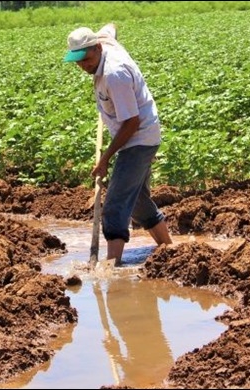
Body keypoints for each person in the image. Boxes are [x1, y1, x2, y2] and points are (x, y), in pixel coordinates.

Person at [63, 23, 173, 266]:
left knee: (114, 204)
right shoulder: (105, 40)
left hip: (138, 138)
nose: (84, 66)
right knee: (136, 201)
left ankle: (111, 267)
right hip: (134, 135)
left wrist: (105, 158)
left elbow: (131, 123)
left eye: (87, 60)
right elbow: (111, 26)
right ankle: (170, 251)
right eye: (78, 61)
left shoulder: (115, 75)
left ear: (98, 48)